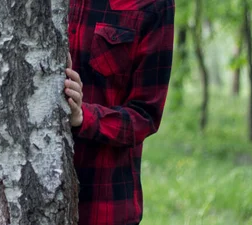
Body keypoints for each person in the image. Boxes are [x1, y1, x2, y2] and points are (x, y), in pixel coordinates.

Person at [63, 0, 176, 224]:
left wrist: (84, 116)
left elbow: (145, 116)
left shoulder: (154, 4)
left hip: (104, 206)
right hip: (25, 195)